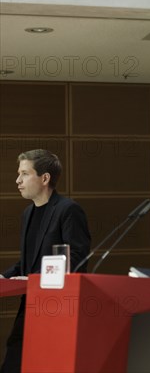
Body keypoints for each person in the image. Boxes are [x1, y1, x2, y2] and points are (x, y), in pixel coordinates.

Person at [0, 150, 91, 373]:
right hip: (30, 304)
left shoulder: (68, 210)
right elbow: (26, 264)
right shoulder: (27, 213)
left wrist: (35, 278)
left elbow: (77, 260)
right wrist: (4, 277)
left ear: (45, 178)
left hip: (58, 306)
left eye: (24, 173)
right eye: (18, 174)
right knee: (13, 360)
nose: (18, 180)